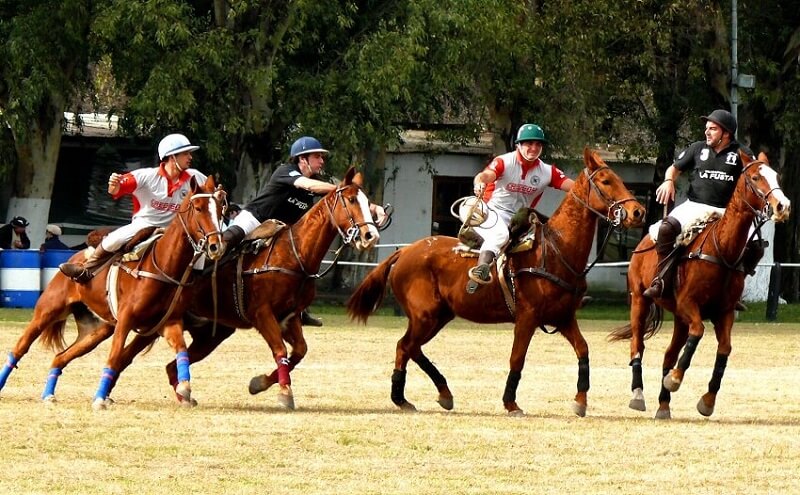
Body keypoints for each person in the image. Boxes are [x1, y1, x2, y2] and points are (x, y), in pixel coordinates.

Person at [222, 136, 386, 327]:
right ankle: (202, 270)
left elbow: (349, 200)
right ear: (302, 159)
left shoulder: (318, 182)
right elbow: (309, 186)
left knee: (302, 264)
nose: (322, 161)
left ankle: (300, 310)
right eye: (317, 156)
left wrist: (374, 208)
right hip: (256, 219)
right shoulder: (286, 171)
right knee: (231, 238)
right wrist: (342, 189)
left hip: (280, 230)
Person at [642, 109, 758, 307]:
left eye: (713, 129)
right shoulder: (697, 148)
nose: (707, 132)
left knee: (755, 245)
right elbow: (675, 168)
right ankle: (662, 279)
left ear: (726, 133)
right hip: (695, 205)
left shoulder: (742, 153)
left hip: (727, 212)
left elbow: (756, 175)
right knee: (666, 229)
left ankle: (733, 290)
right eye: (707, 128)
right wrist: (669, 180)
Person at [60, 133, 208, 283]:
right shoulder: (145, 176)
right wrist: (114, 184)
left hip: (175, 228)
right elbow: (116, 190)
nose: (190, 157)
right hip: (144, 225)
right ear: (172, 157)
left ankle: (197, 287)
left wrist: (219, 195)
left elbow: (211, 192)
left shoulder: (195, 177)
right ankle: (86, 269)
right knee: (113, 240)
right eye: (186, 154)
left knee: (201, 251)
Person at [466, 123, 574, 294]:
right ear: (518, 145)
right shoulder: (504, 161)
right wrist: (479, 181)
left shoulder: (547, 171)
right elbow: (485, 175)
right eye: (529, 143)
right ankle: (480, 273)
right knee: (500, 234)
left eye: (538, 144)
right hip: (491, 212)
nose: (534, 148)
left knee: (551, 242)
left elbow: (575, 188)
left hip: (519, 219)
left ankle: (562, 293)